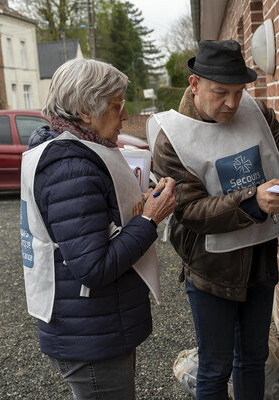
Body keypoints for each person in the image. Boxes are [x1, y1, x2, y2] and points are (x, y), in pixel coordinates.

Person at [147, 40, 279, 399]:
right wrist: (253, 201)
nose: (232, 103)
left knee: (254, 359)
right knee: (215, 368)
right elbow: (190, 210)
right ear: (194, 84)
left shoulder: (254, 109)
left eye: (239, 91)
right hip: (211, 271)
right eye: (221, 92)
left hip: (259, 259)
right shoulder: (171, 138)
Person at [19, 58, 176, 399]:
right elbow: (93, 267)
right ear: (85, 111)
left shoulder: (75, 152)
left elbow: (94, 223)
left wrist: (139, 203)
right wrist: (149, 219)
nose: (125, 117)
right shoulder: (71, 166)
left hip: (93, 326)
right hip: (90, 334)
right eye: (117, 106)